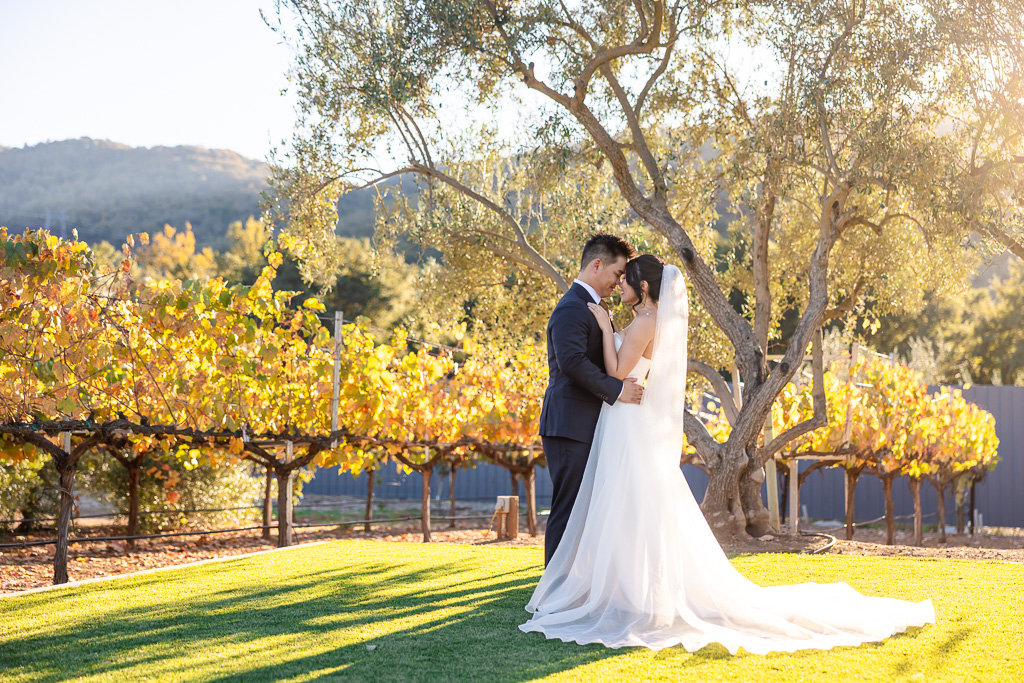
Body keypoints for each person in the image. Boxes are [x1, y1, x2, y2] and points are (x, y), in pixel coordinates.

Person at [521, 254, 935, 654]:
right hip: (626, 419)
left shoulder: (644, 323)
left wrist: (603, 328)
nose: (619, 285)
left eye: (625, 279)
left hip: (625, 420)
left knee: (625, 505)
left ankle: (601, 590)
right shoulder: (646, 321)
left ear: (642, 286)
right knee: (627, 507)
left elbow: (614, 373)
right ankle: (617, 587)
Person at [539, 234, 644, 566]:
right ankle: (553, 593)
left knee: (585, 510)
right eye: (617, 273)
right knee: (569, 509)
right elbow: (572, 363)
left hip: (587, 423)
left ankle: (575, 587)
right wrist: (617, 391)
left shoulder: (596, 308)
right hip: (569, 424)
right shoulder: (572, 307)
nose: (619, 281)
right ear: (597, 265)